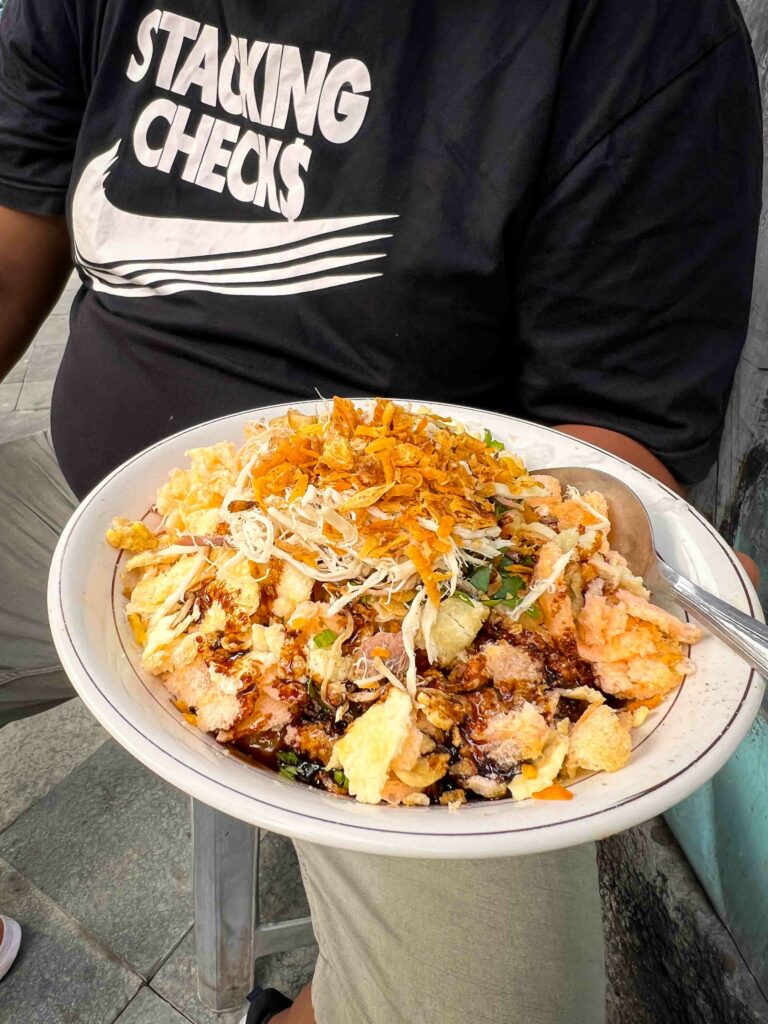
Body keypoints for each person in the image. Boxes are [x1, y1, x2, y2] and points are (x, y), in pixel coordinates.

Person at [0, 0, 761, 1020]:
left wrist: (580, 583)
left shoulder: (635, 35)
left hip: (411, 637)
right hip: (85, 503)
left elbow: (614, 438)